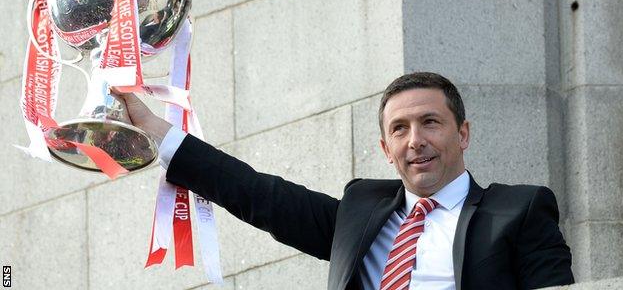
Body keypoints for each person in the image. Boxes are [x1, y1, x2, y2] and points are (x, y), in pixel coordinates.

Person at [114, 72, 574, 290]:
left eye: (430, 122)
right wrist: (158, 133)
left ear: (463, 133)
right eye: (400, 129)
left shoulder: (519, 209)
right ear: (385, 150)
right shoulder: (360, 212)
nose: (416, 141)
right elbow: (259, 194)